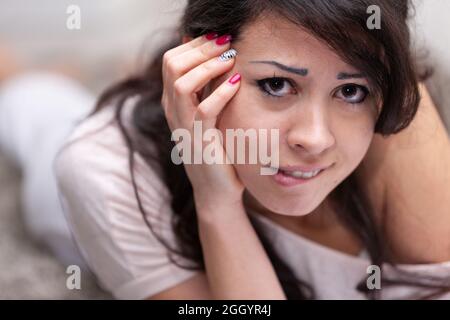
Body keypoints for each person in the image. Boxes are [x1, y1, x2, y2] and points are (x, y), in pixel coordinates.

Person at [2, 0, 450, 299]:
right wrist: (216, 201)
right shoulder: (105, 168)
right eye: (276, 84)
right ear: (202, 66)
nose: (314, 139)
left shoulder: (398, 113)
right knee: (38, 111)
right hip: (85, 185)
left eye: (351, 91)